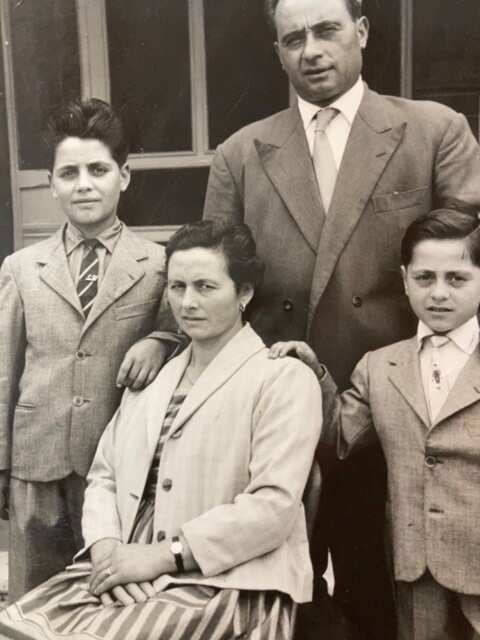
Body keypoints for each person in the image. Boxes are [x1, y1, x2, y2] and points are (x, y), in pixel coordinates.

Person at [202, 0, 480, 636]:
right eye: (293, 38)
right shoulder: (242, 153)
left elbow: (468, 263)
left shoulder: (433, 130)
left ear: (360, 33)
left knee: (389, 595)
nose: (312, 50)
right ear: (277, 52)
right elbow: (210, 268)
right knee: (280, 600)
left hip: (401, 420)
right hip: (280, 415)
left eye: (326, 30)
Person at [0, 219, 322, 639]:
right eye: (177, 287)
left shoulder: (281, 379)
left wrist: (163, 556)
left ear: (244, 292)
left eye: (206, 287)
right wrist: (106, 550)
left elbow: (272, 508)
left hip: (230, 580)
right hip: (128, 564)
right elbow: (104, 475)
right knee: (17, 629)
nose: (188, 302)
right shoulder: (155, 376)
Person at [271, 208, 480, 639]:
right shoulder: (381, 367)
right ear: (404, 280)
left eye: (456, 279)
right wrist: (312, 372)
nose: (439, 293)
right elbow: (337, 435)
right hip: (415, 571)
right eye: (424, 278)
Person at [0, 98, 180, 600]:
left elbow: (182, 337)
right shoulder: (21, 267)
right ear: (50, 182)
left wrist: (158, 340)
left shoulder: (158, 265)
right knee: (34, 599)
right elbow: (2, 371)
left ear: (124, 176)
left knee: (109, 599)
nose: (84, 183)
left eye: (98, 169)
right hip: (36, 464)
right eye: (69, 172)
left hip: (118, 465)